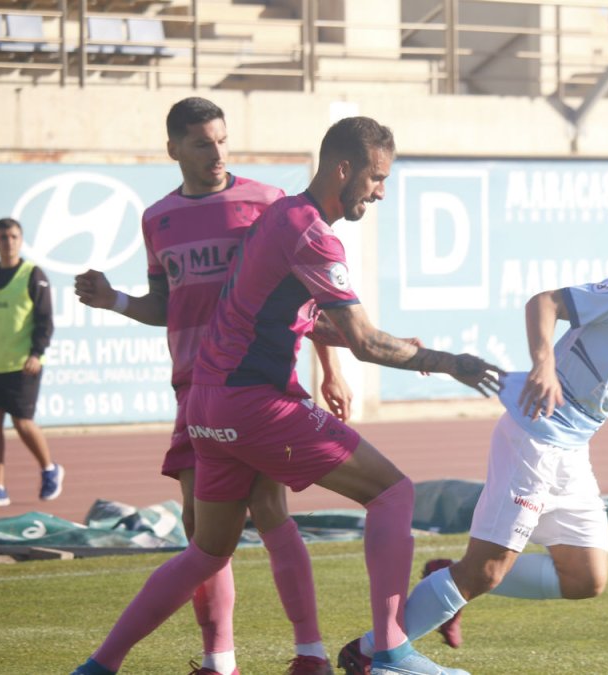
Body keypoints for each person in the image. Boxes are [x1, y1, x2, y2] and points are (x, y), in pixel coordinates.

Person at [72, 116, 502, 675]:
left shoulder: (279, 215)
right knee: (392, 493)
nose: (381, 192)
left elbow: (303, 321)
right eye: (376, 178)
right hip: (254, 403)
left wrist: (383, 347)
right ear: (343, 169)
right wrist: (451, 364)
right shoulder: (311, 234)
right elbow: (365, 341)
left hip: (205, 404)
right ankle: (391, 652)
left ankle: (99, 666)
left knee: (207, 550)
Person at [336, 232, 608, 672]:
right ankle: (370, 652)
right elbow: (544, 302)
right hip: (533, 437)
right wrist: (543, 364)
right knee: (486, 571)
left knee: (585, 578)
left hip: (573, 451)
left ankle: (452, 576)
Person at [74, 97, 350, 675]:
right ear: (173, 148)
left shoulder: (266, 203)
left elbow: (308, 287)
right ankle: (219, 661)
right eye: (202, 143)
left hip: (259, 381)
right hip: (193, 388)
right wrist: (114, 300)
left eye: (223, 140)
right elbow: (164, 305)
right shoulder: (157, 219)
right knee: (202, 531)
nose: (216, 153)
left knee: (270, 509)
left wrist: (331, 367)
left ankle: (310, 653)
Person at [0, 217, 63, 508]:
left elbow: (45, 320)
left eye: (13, 236)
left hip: (23, 364)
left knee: (23, 423)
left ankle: (50, 469)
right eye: (3, 237)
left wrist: (36, 354)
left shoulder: (32, 274)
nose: (8, 241)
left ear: (20, 240)